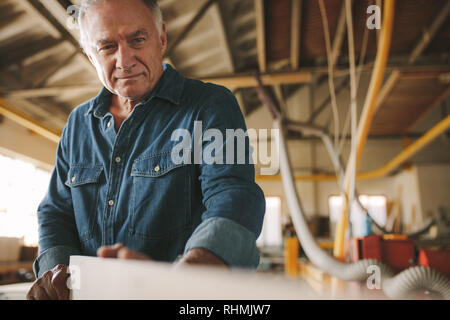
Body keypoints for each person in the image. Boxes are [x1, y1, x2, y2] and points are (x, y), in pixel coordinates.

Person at [26, 0, 265, 300]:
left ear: (162, 37)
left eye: (137, 39)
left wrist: (182, 280)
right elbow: (55, 212)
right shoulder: (77, 125)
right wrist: (55, 273)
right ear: (90, 54)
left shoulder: (210, 106)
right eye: (107, 47)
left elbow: (234, 196)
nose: (124, 60)